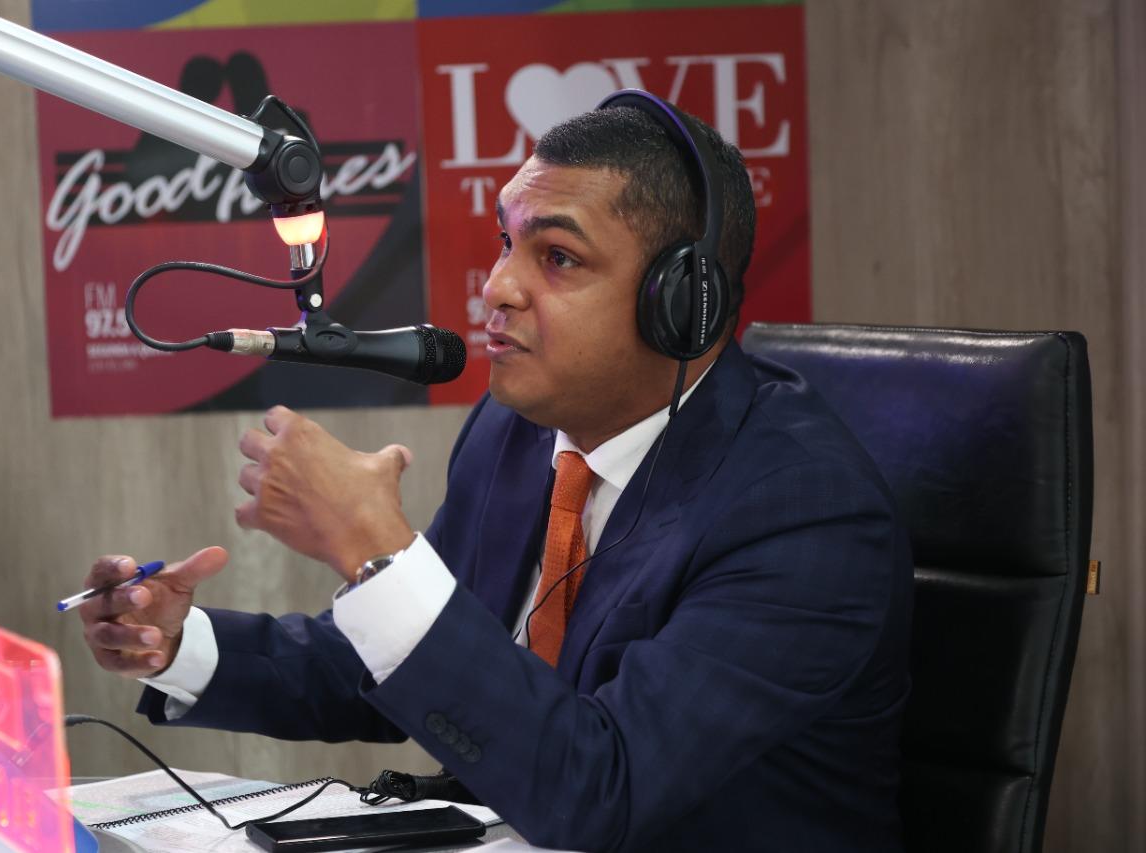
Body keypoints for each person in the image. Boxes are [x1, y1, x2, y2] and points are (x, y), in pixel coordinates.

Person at [79, 97, 912, 852]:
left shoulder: (806, 515)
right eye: (506, 243)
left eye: (558, 257)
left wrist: (374, 548)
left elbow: (601, 790)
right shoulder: (516, 431)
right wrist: (180, 642)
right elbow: (407, 657)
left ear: (681, 303)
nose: (500, 286)